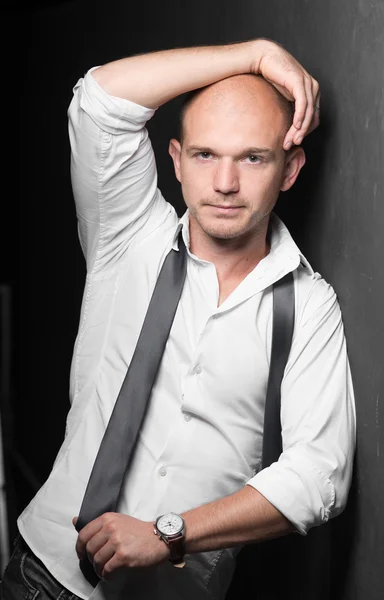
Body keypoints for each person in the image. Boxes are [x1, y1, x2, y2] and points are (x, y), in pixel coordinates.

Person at [1, 37, 356, 600]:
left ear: (290, 169)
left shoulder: (309, 306)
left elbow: (321, 476)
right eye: (205, 154)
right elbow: (101, 101)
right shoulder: (129, 239)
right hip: (43, 578)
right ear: (176, 160)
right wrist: (256, 55)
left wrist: (174, 536)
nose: (224, 184)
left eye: (253, 158)